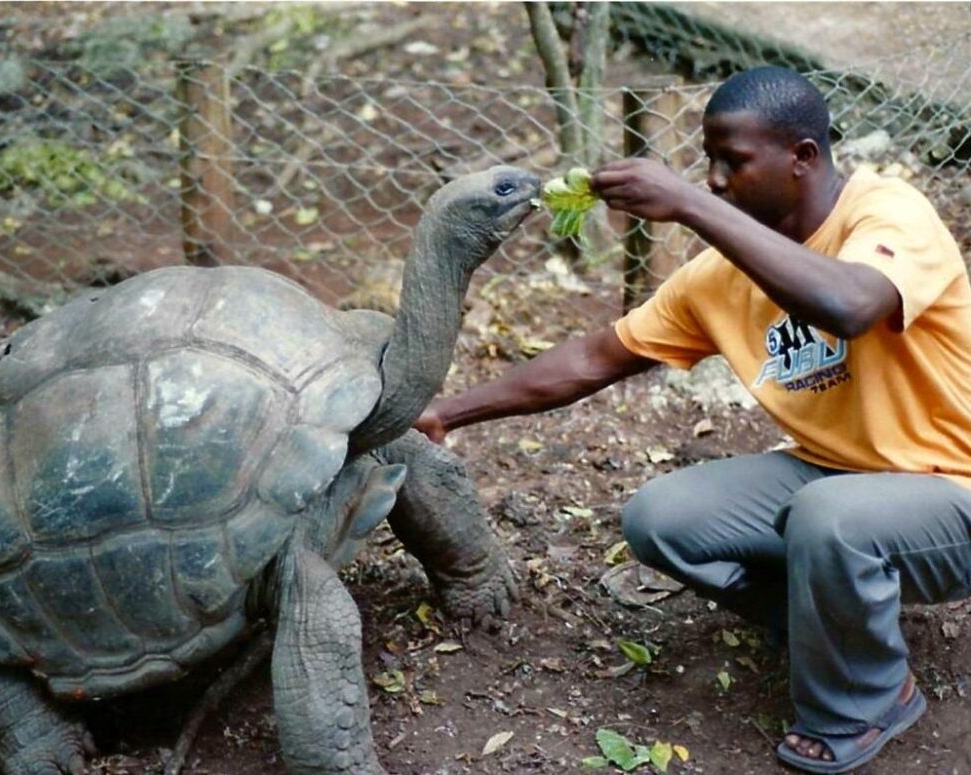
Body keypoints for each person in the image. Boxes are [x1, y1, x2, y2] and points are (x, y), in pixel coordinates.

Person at [415, 65, 971, 774]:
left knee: (831, 517)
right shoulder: (722, 278)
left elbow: (850, 305)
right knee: (662, 517)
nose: (712, 179)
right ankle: (832, 627)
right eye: (706, 164)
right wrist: (447, 412)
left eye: (731, 162)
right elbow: (593, 356)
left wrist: (686, 206)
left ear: (802, 156)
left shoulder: (887, 212)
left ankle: (866, 700)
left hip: (952, 493)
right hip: (837, 479)